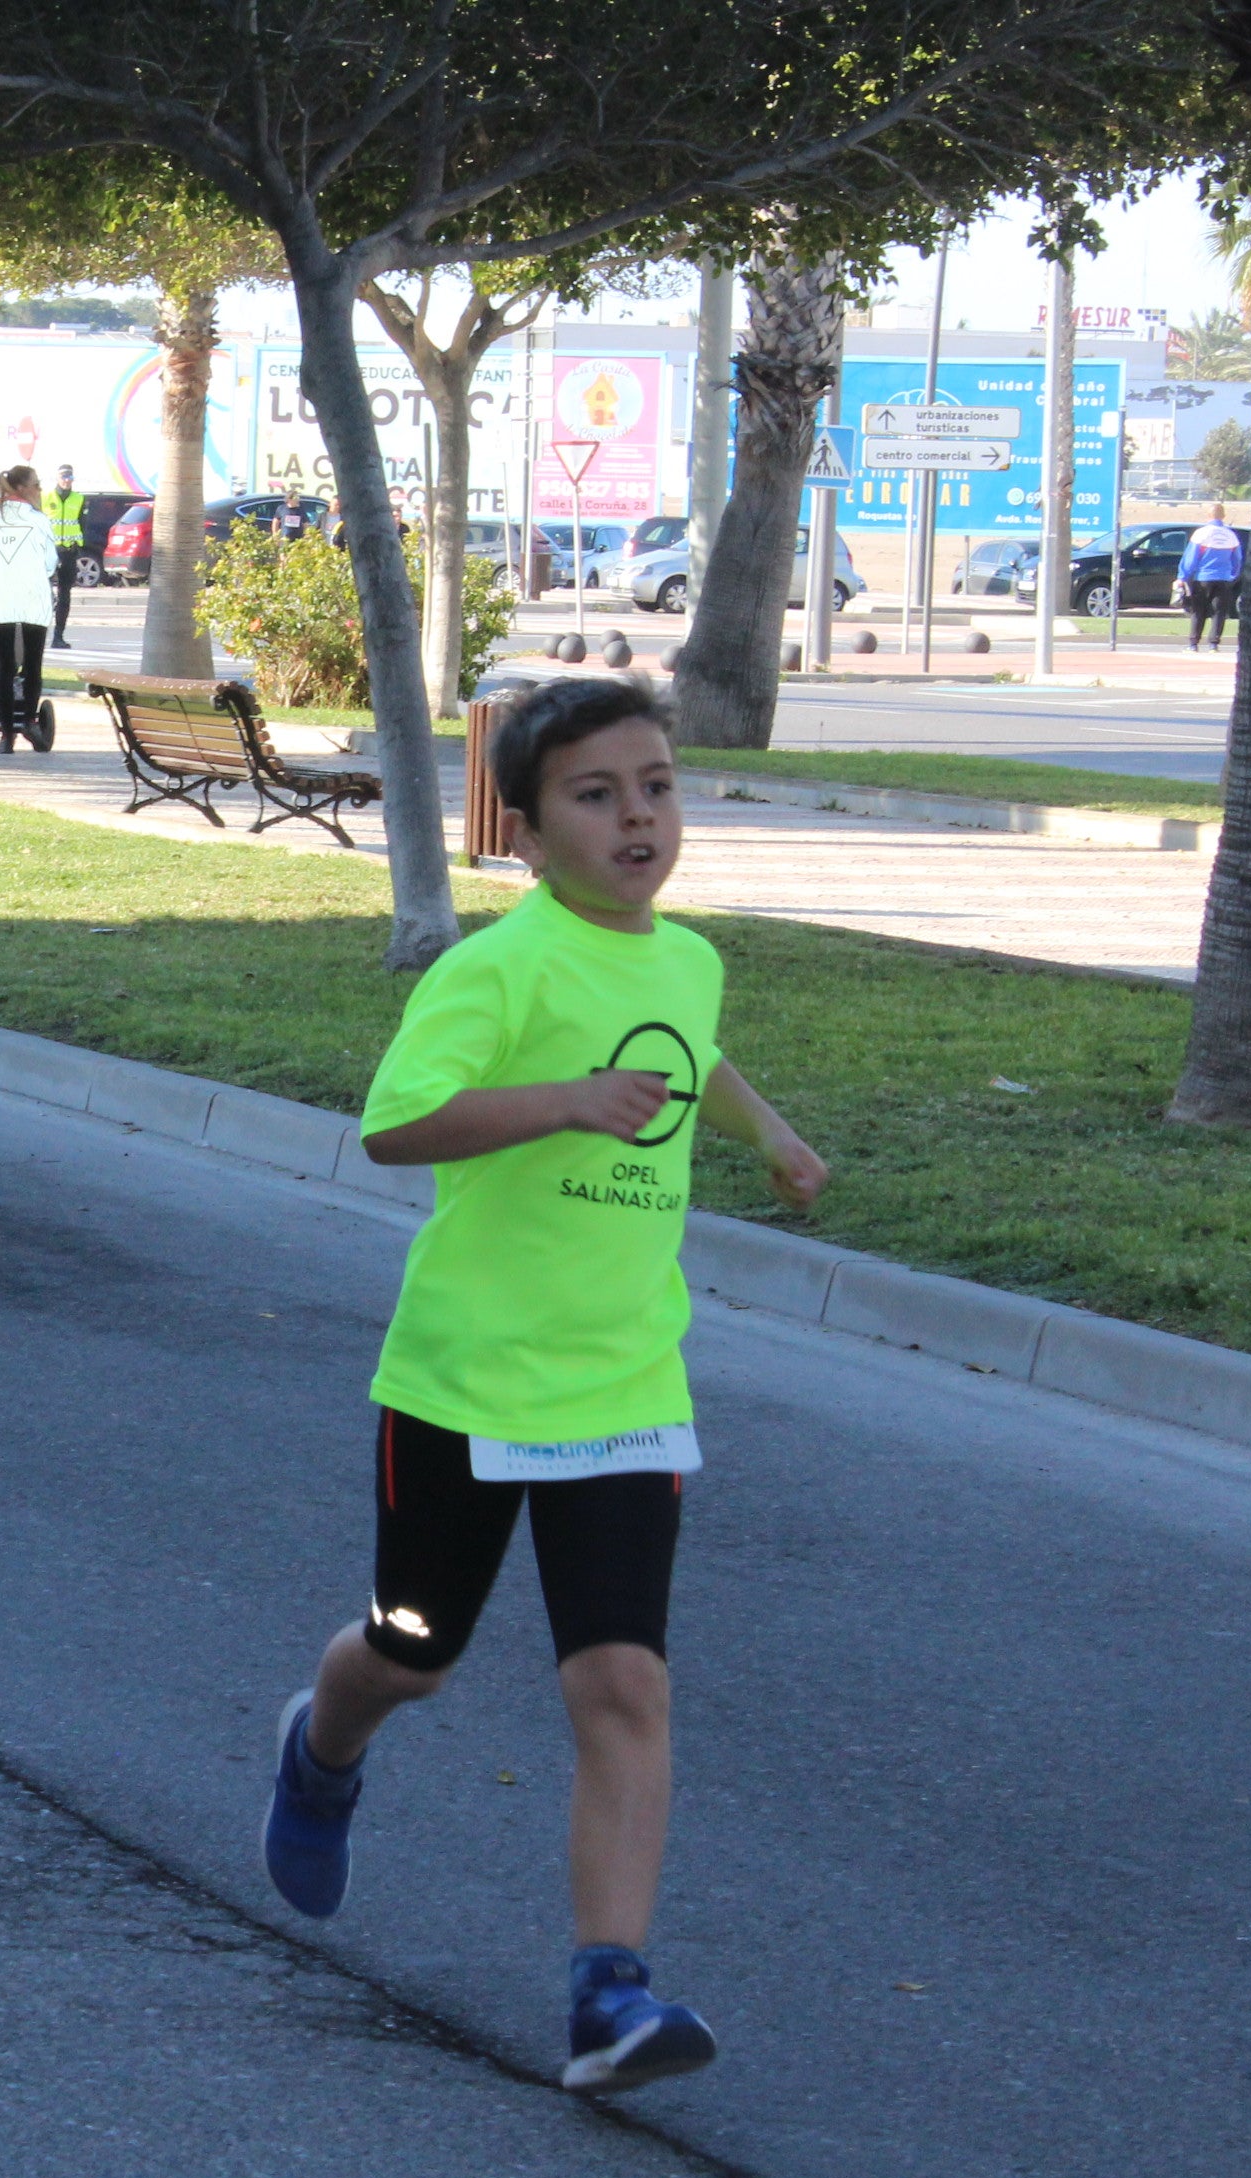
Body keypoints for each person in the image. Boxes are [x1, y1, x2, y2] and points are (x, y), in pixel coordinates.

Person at [257, 676, 825, 2099]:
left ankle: (607, 1993)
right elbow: (395, 1124)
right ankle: (322, 1749)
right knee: (415, 1652)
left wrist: (771, 1134)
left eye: (657, 786)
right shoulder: (495, 973)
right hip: (462, 1385)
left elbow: (691, 1043)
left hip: (625, 1383)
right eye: (597, 794)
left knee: (625, 1682)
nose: (638, 816)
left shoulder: (686, 962)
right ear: (524, 830)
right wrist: (565, 1100)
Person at [0, 465, 58, 753]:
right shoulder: (38, 521)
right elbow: (50, 564)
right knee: (33, 664)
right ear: (23, 489)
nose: (40, 489)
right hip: (33, 599)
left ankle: (6, 737)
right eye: (37, 484)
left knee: (5, 667)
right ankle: (29, 720)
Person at [1177, 506, 1244, 650]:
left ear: (1208, 515)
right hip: (1223, 579)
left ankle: (1193, 644)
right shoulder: (1230, 535)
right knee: (1219, 612)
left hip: (1202, 578)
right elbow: (1237, 559)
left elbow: (1190, 559)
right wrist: (1232, 574)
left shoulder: (1201, 534)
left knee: (1198, 611)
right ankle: (1214, 644)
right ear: (1223, 516)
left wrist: (1183, 576)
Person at [45, 464, 87, 647]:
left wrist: (78, 545)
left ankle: (58, 636)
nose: (66, 481)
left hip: (69, 551)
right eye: (63, 477)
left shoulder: (78, 499)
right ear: (57, 478)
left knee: (65, 595)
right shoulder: (46, 497)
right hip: (49, 551)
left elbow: (82, 523)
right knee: (43, 594)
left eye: (69, 478)